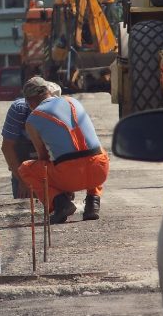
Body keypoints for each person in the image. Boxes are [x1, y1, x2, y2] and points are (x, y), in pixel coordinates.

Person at [18, 76, 109, 223]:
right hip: (99, 171)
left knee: (25, 168)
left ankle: (60, 203)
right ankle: (93, 202)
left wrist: (62, 189)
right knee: (98, 151)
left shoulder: (33, 119)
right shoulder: (73, 101)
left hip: (70, 177)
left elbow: (44, 157)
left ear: (29, 101)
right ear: (49, 91)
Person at [1, 79, 62, 199]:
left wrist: (64, 183)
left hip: (50, 160)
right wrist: (23, 181)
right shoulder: (19, 110)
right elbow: (7, 147)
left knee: (59, 203)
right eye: (38, 103)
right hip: (24, 162)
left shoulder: (57, 106)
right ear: (29, 103)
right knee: (26, 202)